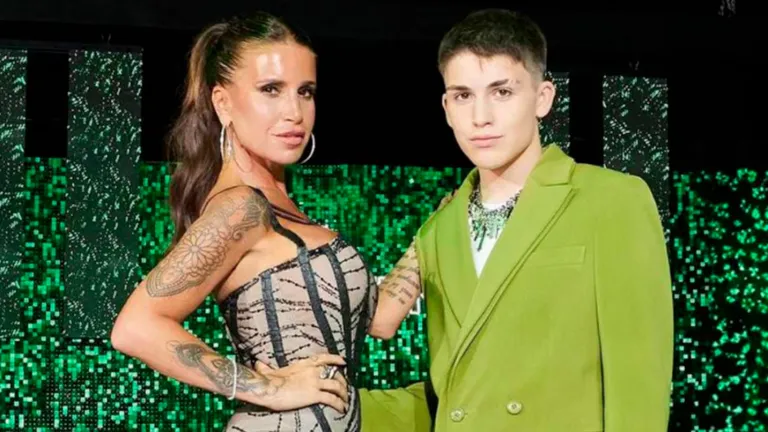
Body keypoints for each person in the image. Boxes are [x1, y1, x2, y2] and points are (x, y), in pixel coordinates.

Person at [358, 8, 674, 432]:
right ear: (447, 107)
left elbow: (639, 384)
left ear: (543, 98)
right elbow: (455, 393)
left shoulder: (611, 200)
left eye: (502, 92)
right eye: (463, 96)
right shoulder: (439, 230)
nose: (481, 117)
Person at [110, 12, 417, 431]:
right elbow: (134, 327)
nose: (294, 112)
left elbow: (379, 322)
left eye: (305, 92)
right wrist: (268, 389)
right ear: (223, 103)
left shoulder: (280, 205)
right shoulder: (241, 207)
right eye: (270, 90)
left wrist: (435, 230)